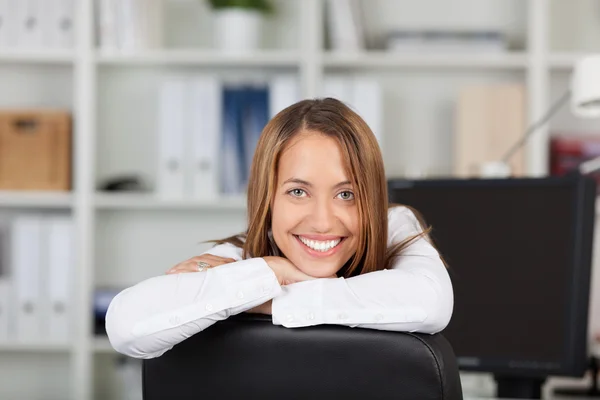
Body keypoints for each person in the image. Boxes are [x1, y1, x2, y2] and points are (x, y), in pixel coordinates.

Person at [105, 98, 454, 359]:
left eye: (346, 194)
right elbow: (126, 324)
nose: (322, 221)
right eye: (298, 192)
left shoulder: (394, 224)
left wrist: (269, 295)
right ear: (267, 199)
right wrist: (269, 270)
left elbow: (432, 303)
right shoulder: (244, 256)